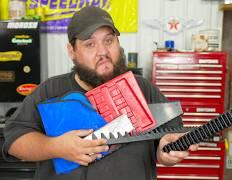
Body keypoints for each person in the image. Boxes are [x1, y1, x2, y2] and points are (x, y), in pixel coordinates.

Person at [2, 6, 198, 180]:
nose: (102, 51)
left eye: (109, 40)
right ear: (72, 51)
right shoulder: (49, 92)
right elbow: (14, 142)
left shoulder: (142, 89)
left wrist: (166, 153)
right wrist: (56, 147)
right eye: (90, 44)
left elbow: (167, 144)